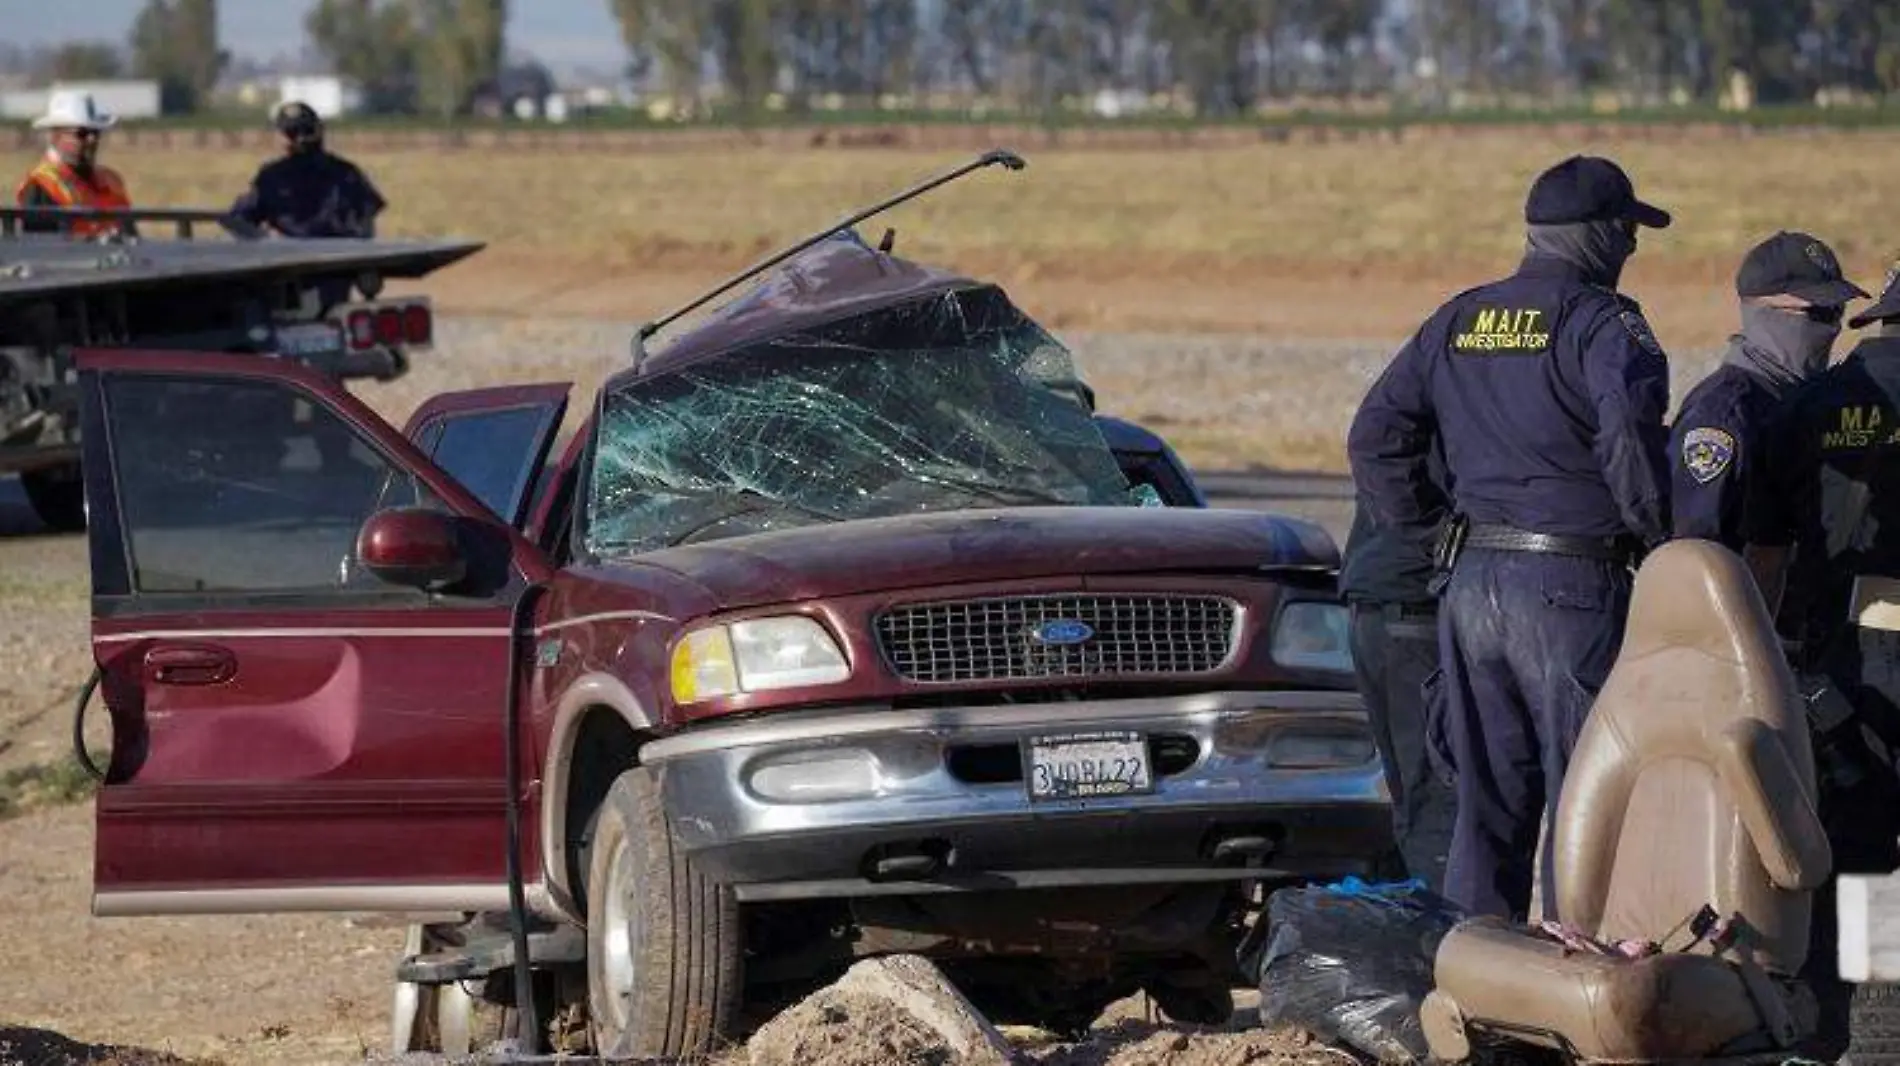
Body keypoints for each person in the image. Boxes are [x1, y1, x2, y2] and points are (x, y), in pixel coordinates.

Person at [1346, 154, 1674, 921]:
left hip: (1471, 588)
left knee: (1484, 809)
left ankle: (1474, 989)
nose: (1632, 250)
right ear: (1599, 237)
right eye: (1629, 232)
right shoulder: (1604, 323)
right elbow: (1629, 436)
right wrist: (1661, 539)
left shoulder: (1459, 318)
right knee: (1586, 800)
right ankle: (1574, 988)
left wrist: (1432, 535)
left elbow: (1375, 436)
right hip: (1571, 589)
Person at [1744, 262, 1900, 1060]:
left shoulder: (1813, 406)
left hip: (1840, 668)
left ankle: (1867, 1034)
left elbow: (1765, 558)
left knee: (1864, 855)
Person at [1669, 232, 1867, 551]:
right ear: (1761, 310)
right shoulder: (1724, 414)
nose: (1832, 328)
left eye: (1836, 313)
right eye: (1817, 314)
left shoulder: (1812, 404)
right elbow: (1694, 551)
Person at [1338, 448, 1458, 893]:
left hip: (1380, 598)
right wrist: (1433, 537)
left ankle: (1415, 921)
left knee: (1413, 791)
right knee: (1437, 793)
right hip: (1412, 605)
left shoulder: (1419, 389)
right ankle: (1440, 936)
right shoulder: (1454, 390)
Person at [226, 100, 386, 239]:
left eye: (306, 131)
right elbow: (367, 227)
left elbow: (238, 221)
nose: (301, 138)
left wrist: (265, 243)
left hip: (312, 266)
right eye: (294, 132)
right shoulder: (346, 172)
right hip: (328, 265)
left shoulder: (346, 174)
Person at [14, 88, 134, 239]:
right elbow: (42, 251)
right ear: (55, 137)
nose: (91, 140)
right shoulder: (42, 185)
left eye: (95, 132)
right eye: (81, 134)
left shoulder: (112, 181)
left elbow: (132, 236)